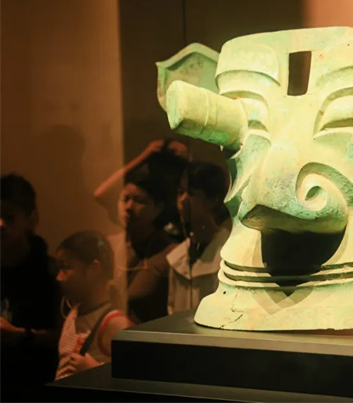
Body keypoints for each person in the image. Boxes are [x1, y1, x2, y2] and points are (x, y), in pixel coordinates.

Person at [1, 174, 61, 400]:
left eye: (9, 217)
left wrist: (21, 335)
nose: (0, 224)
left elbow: (69, 337)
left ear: (31, 219)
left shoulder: (53, 274)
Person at [54, 231, 131, 380]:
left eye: (66, 267)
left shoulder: (115, 323)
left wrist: (93, 369)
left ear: (95, 269)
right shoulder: (74, 312)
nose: (59, 277)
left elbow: (132, 377)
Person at [167, 162, 232, 314]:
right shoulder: (178, 257)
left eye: (191, 193)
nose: (182, 200)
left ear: (212, 200)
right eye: (180, 192)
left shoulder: (229, 255)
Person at [117, 167, 179, 324]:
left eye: (140, 201)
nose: (129, 207)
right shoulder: (113, 245)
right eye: (125, 199)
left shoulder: (170, 253)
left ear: (158, 208)